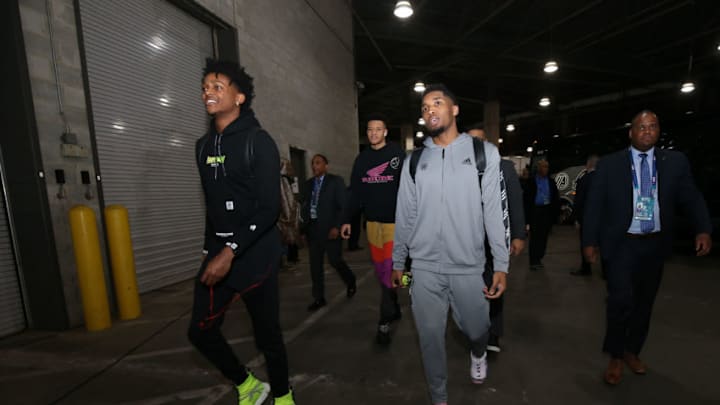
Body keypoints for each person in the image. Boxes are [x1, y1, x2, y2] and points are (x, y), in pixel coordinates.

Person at [392, 84, 510, 405]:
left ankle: (478, 350)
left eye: (437, 103)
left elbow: (496, 213)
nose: (429, 110)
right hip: (425, 268)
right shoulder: (414, 161)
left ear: (454, 109)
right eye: (425, 107)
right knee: (430, 340)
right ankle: (439, 397)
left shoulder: (483, 154)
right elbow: (405, 213)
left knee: (477, 327)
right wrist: (398, 260)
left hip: (468, 266)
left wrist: (501, 264)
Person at [189, 59, 295, 405]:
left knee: (268, 336)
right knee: (200, 330)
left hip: (256, 255)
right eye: (205, 86)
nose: (208, 91)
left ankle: (282, 397)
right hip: (219, 253)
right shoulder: (202, 147)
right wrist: (210, 250)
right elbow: (213, 206)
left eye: (218, 86)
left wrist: (231, 251)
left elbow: (269, 209)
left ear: (239, 98)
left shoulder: (258, 141)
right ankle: (248, 385)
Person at [582, 110, 712, 386]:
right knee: (620, 301)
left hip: (655, 245)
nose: (647, 131)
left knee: (644, 303)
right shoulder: (610, 164)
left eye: (652, 126)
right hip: (621, 246)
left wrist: (703, 228)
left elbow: (691, 196)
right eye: (641, 127)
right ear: (631, 132)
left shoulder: (674, 162)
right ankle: (616, 355)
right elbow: (594, 206)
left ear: (658, 131)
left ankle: (632, 351)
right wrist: (589, 242)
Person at [340, 113, 405, 345]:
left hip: (394, 224)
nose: (373, 133)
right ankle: (396, 303)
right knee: (381, 273)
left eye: (378, 129)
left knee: (387, 270)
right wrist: (347, 220)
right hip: (372, 224)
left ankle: (384, 321)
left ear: (385, 131)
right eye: (370, 130)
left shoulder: (397, 154)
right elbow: (355, 192)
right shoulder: (362, 159)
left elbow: (409, 187)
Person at [467, 124, 526, 353]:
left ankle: (493, 334)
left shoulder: (504, 167)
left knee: (495, 284)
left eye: (479, 140)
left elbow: (515, 202)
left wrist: (519, 235)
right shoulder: (458, 169)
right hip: (466, 240)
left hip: (495, 239)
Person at [301, 154, 357, 311]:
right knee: (315, 266)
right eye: (313, 163)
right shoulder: (308, 184)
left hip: (330, 229)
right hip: (313, 230)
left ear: (326, 165)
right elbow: (305, 207)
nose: (314, 166)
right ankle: (319, 298)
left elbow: (343, 206)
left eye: (318, 163)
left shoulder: (335, 182)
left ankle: (350, 280)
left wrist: (337, 227)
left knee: (335, 260)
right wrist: (303, 230)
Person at [523, 159, 560, 270]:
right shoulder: (531, 181)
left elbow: (555, 198)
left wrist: (556, 214)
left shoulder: (551, 182)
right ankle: (533, 261)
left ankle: (539, 257)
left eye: (547, 166)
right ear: (538, 168)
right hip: (535, 211)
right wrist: (526, 219)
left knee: (544, 236)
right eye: (543, 166)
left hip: (546, 211)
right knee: (535, 237)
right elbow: (526, 200)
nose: (545, 169)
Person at [570, 154, 599, 276]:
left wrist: (576, 218)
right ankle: (607, 272)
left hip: (587, 217)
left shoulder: (584, 179)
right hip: (603, 218)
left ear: (588, 165)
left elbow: (579, 200)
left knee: (586, 242)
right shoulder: (604, 177)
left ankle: (586, 268)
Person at [278, 158, 300, 269]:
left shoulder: (286, 180)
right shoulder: (282, 181)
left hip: (287, 215)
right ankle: (283, 261)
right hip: (284, 217)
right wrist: (289, 216)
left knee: (286, 239)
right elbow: (285, 201)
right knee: (284, 239)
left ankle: (286, 259)